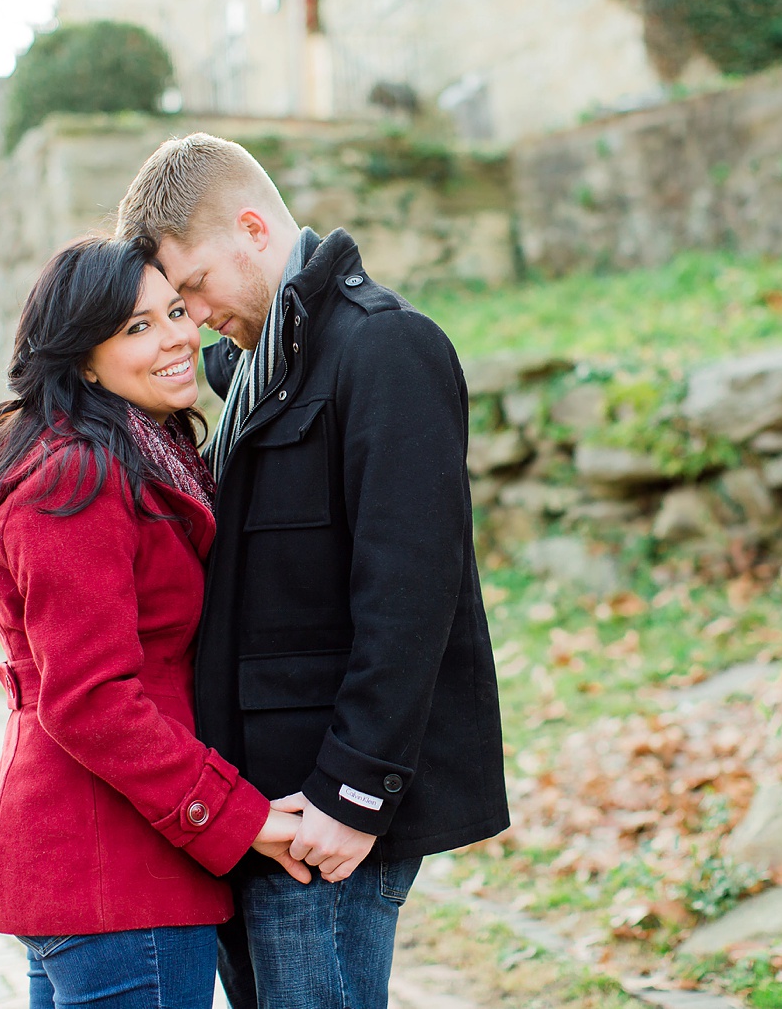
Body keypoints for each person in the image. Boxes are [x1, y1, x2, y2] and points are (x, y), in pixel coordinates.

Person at [116, 134, 509, 1009]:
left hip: (324, 815)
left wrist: (352, 791)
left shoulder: (387, 349)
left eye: (191, 289)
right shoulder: (258, 367)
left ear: (252, 227)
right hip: (256, 811)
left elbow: (410, 594)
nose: (191, 316)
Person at [0, 235, 309, 1009]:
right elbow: (91, 698)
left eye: (176, 310)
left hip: (103, 864)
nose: (177, 335)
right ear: (82, 359)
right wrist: (239, 818)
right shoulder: (76, 473)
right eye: (137, 327)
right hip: (112, 866)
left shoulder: (135, 448)